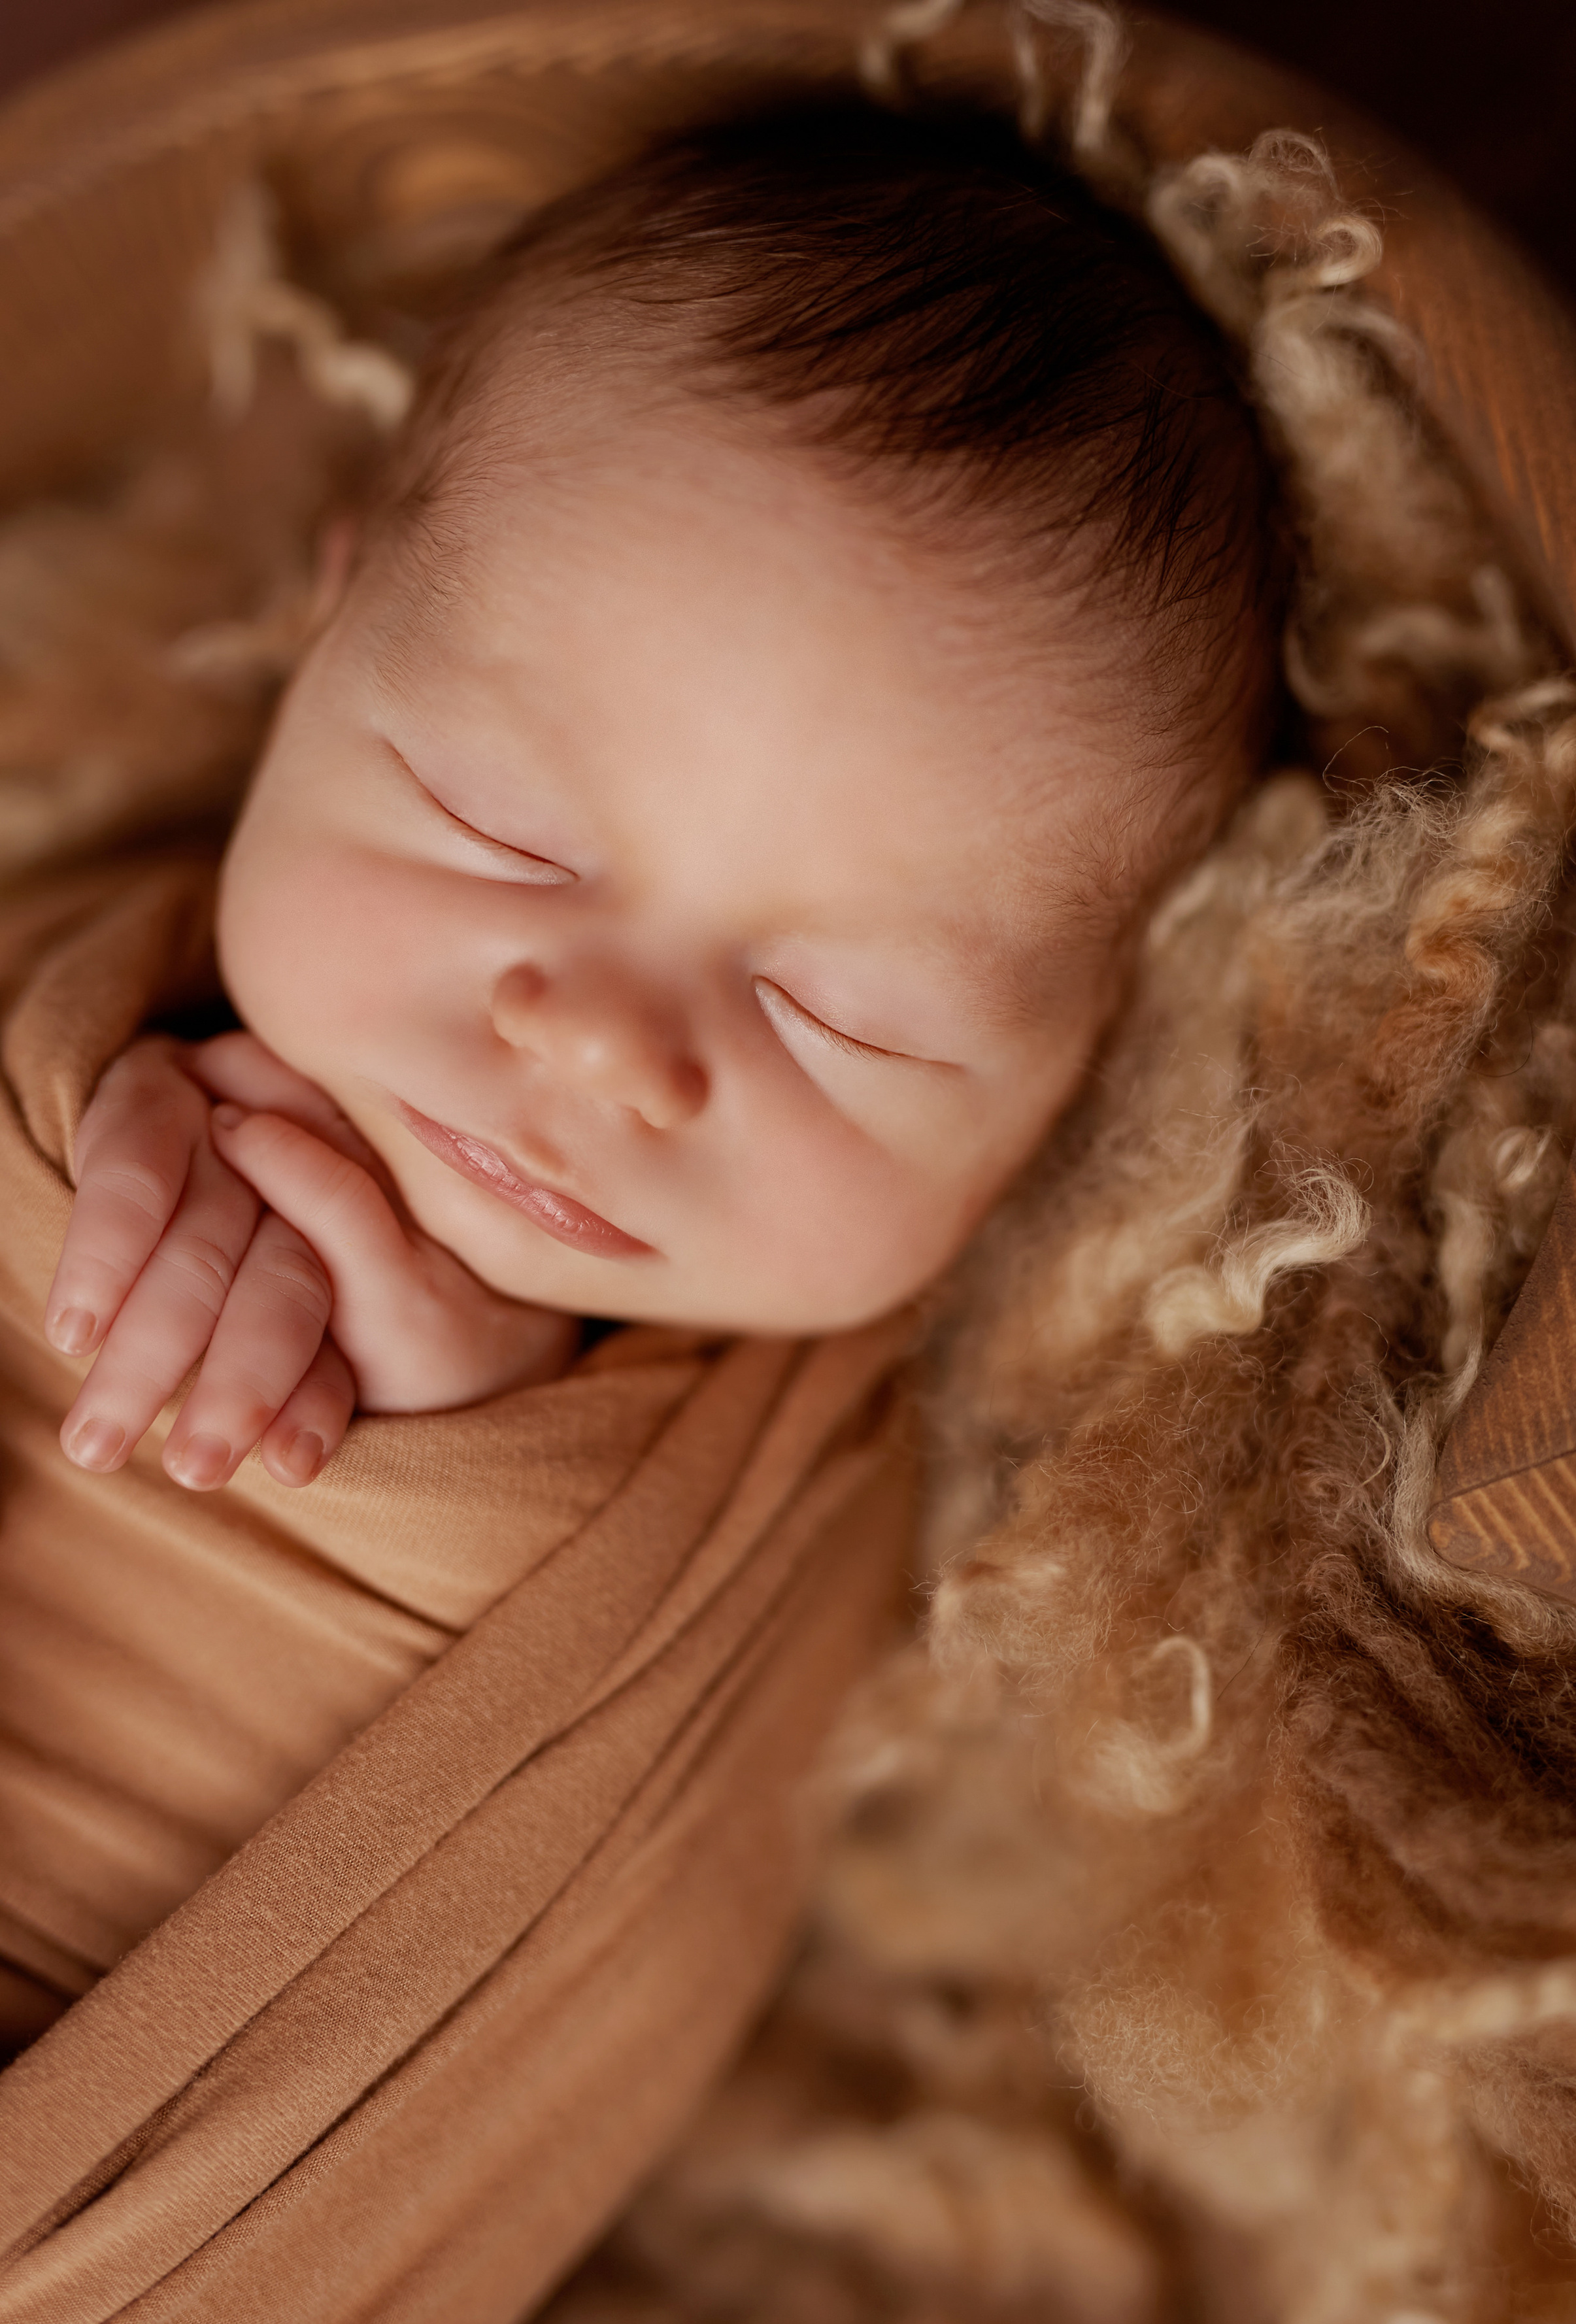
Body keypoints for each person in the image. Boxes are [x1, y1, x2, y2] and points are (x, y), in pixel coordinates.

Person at [37, 99, 1279, 1500]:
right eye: (494, 827)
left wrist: (475, 1444)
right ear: (318, 629)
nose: (604, 1049)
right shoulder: (81, 895)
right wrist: (61, 1118)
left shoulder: (903, 1474)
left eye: (838, 1019)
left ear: (1105, 1057)